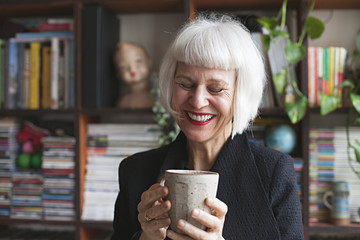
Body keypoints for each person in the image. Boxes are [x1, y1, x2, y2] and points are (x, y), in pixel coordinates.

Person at [112, 14, 304, 240]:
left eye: (215, 89)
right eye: (186, 84)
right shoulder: (134, 171)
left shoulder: (273, 173)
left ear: (239, 95)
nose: (197, 100)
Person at [114, 42, 155, 109]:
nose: (132, 70)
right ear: (118, 74)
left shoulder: (155, 98)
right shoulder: (124, 102)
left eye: (138, 61)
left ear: (149, 62)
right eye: (123, 67)